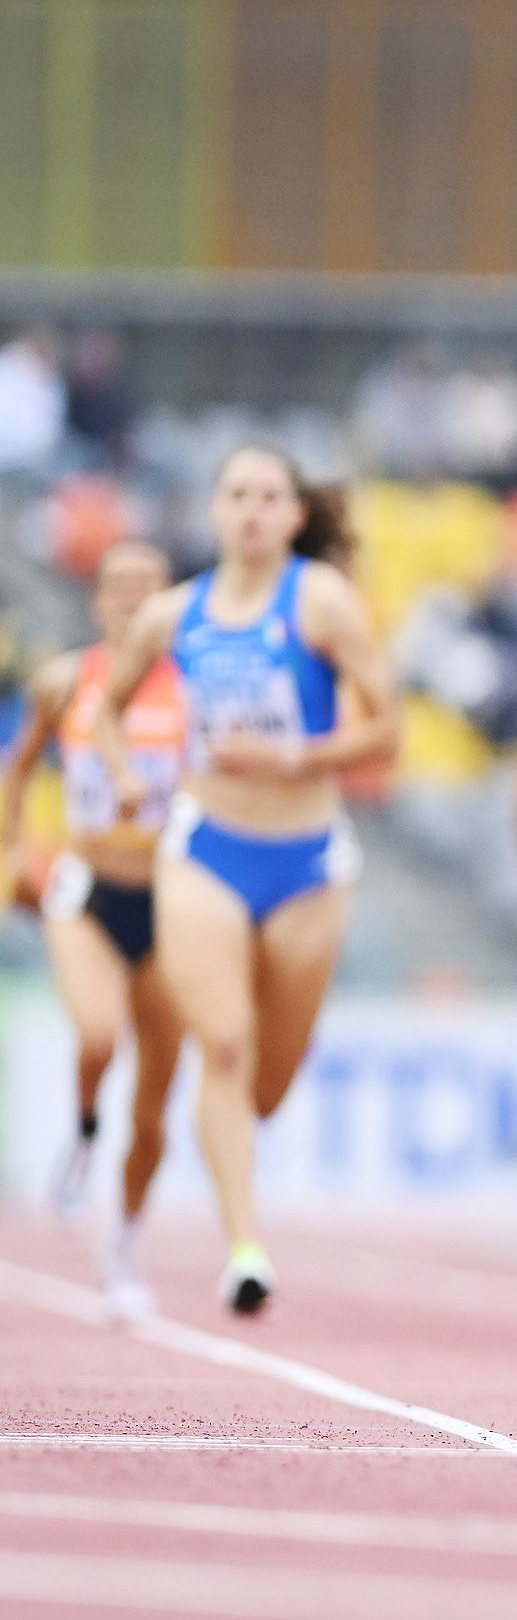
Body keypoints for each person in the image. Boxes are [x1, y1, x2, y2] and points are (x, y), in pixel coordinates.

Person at [97, 446, 398, 1315]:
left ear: (296, 516)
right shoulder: (171, 614)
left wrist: (291, 752)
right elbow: (109, 710)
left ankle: (238, 1178)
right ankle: (245, 1248)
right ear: (215, 510)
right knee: (222, 1043)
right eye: (237, 494)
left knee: (267, 1080)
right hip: (206, 850)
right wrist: (123, 773)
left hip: (306, 862)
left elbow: (387, 731)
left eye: (271, 496)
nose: (254, 510)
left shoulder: (322, 602)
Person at [0, 542, 185, 1293]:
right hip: (87, 887)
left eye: (150, 586)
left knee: (154, 1103)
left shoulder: (195, 686)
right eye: (120, 587)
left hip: (174, 900)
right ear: (97, 600)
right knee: (100, 1032)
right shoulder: (65, 678)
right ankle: (81, 1133)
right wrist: (13, 853)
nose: (134, 600)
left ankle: (128, 1238)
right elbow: (17, 768)